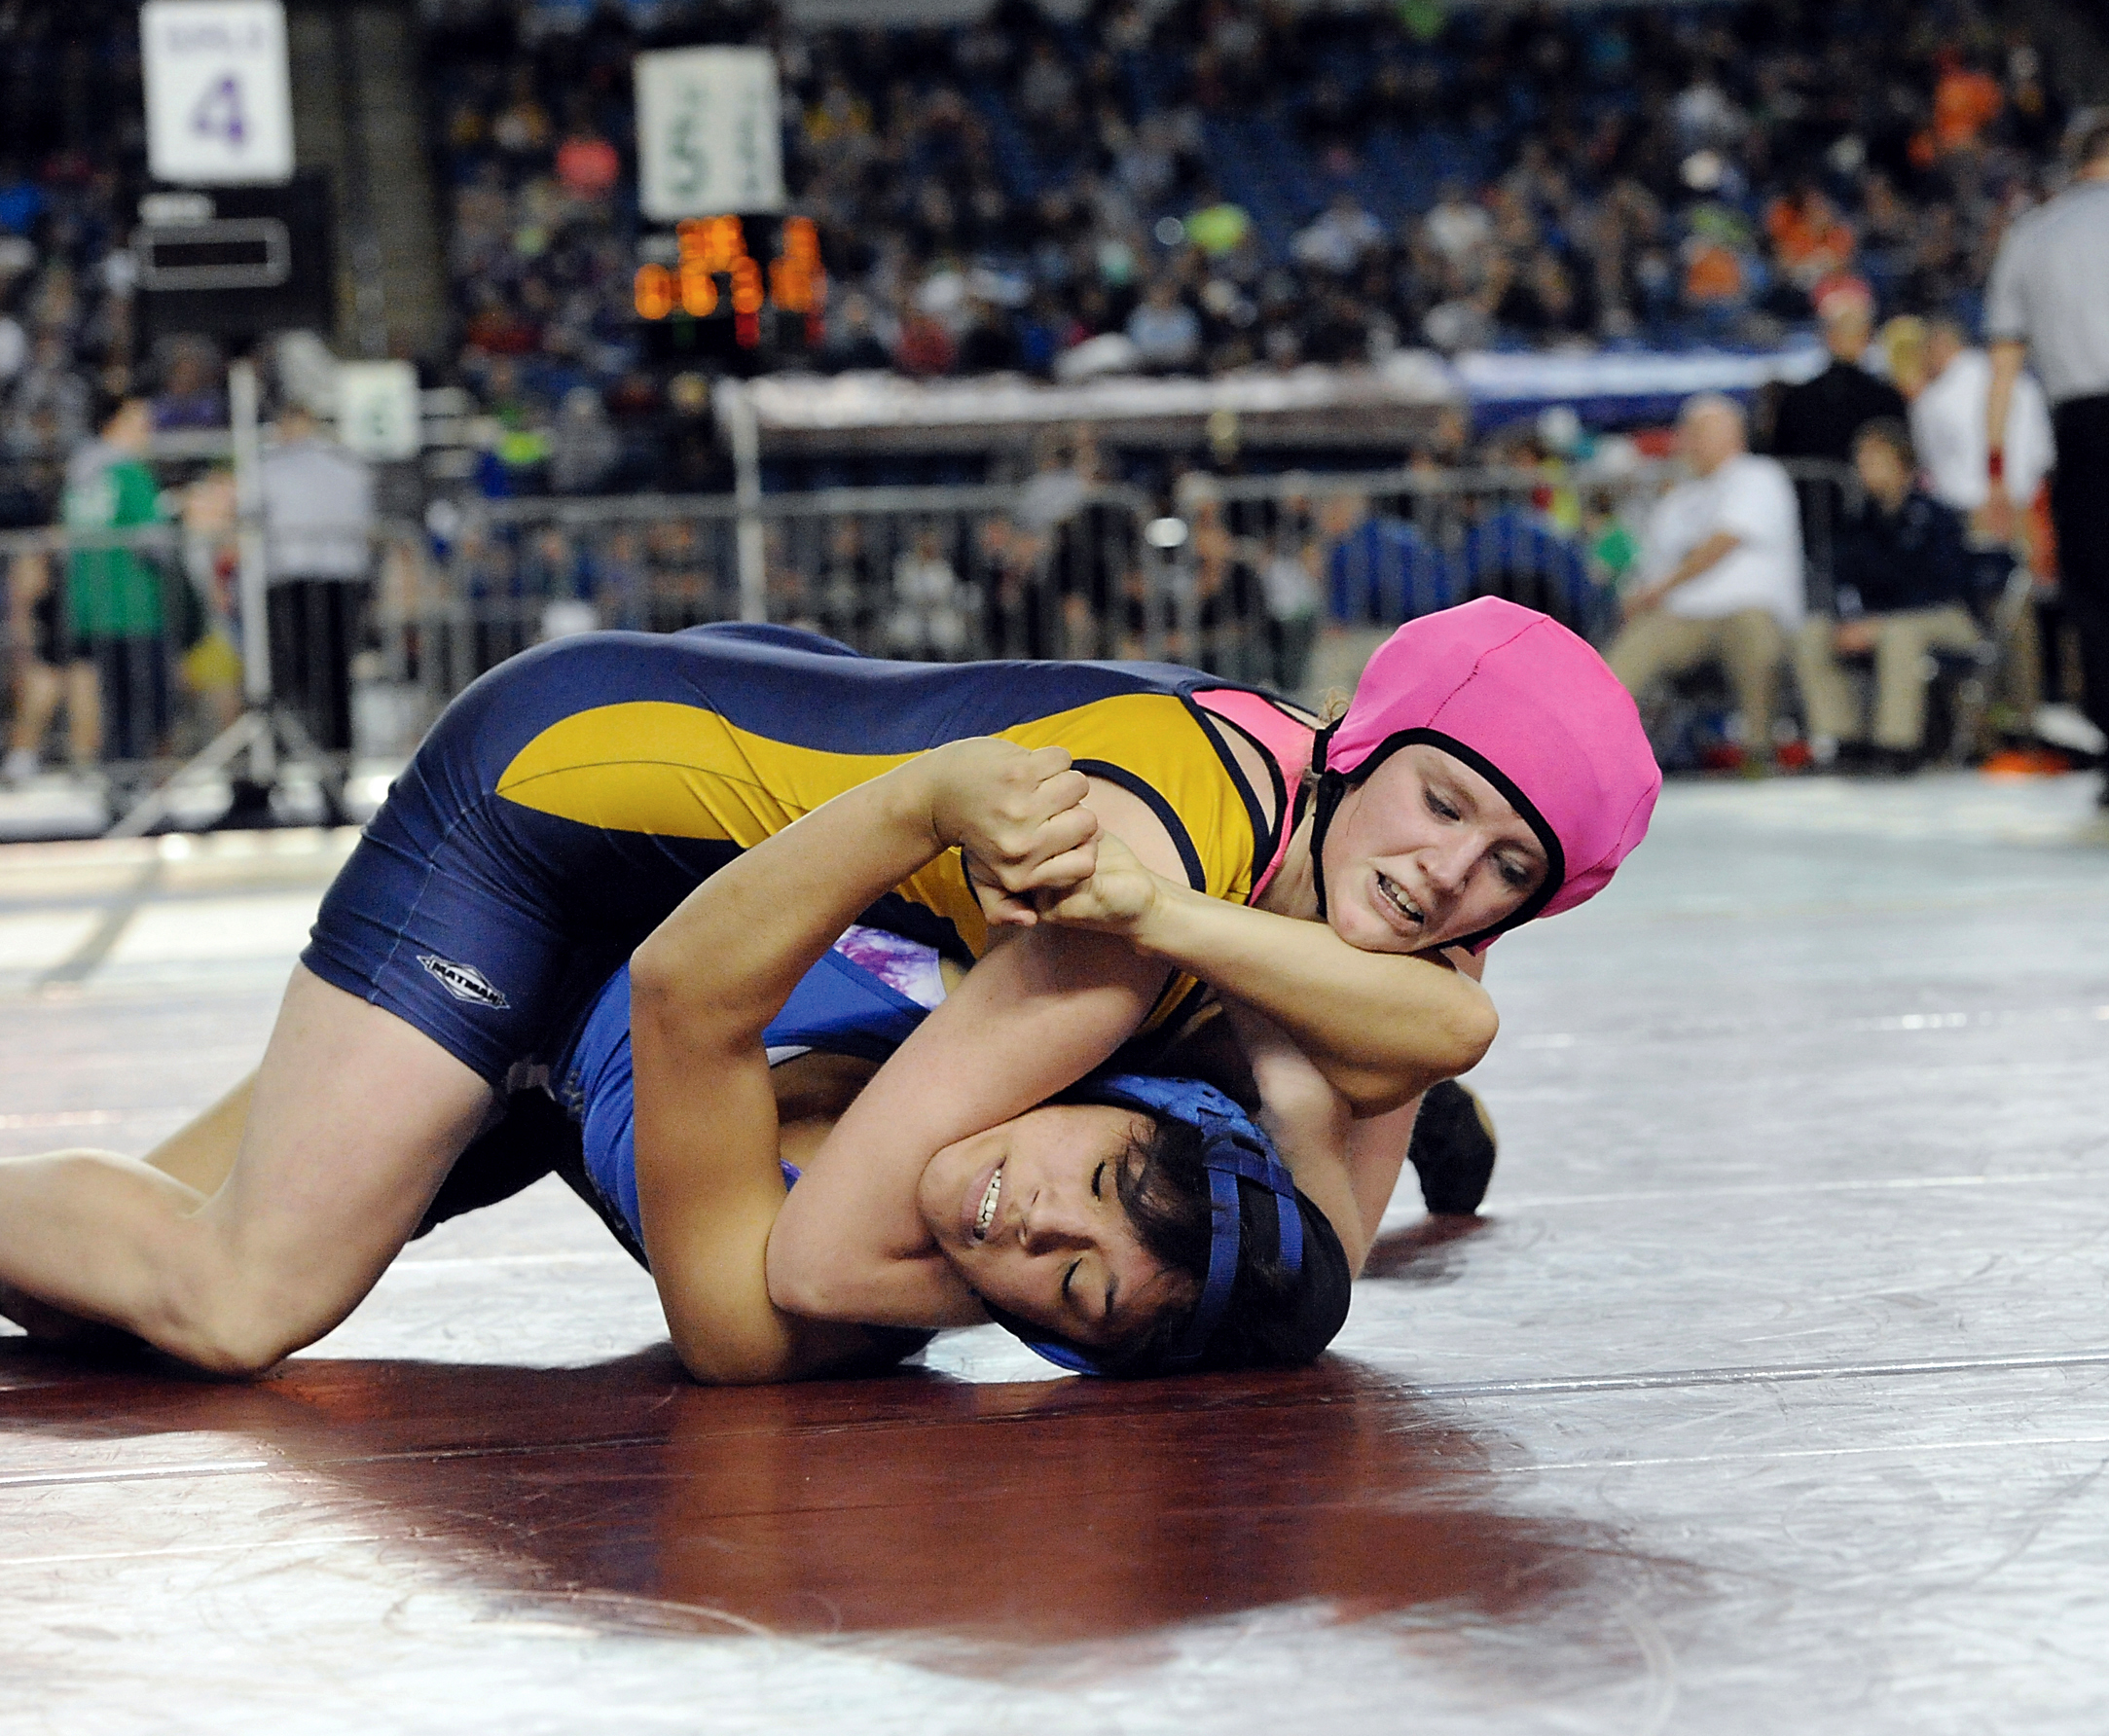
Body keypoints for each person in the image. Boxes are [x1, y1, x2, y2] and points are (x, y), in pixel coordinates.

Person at [0, 605, 1659, 1375]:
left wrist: (1397, 1044)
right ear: (1368, 745)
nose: (1449, 874)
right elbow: (823, 1248)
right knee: (233, 1289)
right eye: (1443, 807)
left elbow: (1312, 1250)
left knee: (136, 1261)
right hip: (561, 823)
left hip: (737, 899)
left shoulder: (1356, 899)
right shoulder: (1148, 866)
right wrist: (1328, 1043)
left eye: (1505, 866)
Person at [3, 738, 1351, 1380]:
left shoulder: (795, 1312)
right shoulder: (1066, 1033)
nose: (1039, 1216)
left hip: (537, 1007)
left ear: (1048, 1344)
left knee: (136, 1308)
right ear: (1115, 1106)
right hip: (546, 882)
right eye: (1099, 1181)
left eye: (1070, 1282)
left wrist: (921, 798)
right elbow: (1354, 1064)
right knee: (192, 1297)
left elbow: (686, 991)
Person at [1984, 114, 2109, 804]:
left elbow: (2002, 369)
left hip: (2084, 431)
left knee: (2095, 597)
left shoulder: (2032, 234)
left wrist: (1996, 474)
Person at [1605, 395, 1804, 763]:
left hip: (1749, 607)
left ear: (1732, 435)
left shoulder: (1759, 475)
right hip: (1684, 615)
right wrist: (1637, 596)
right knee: (1630, 648)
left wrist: (1659, 590)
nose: (1688, 440)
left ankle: (1757, 753)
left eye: (1700, 431)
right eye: (1688, 431)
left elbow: (1722, 542)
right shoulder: (1679, 498)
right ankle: (1596, 749)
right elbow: (1652, 565)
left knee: (1756, 641)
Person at [1792, 419, 1982, 771]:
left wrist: (1877, 622)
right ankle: (1843, 739)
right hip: (1880, 620)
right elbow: (1839, 579)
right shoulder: (1860, 521)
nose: (1864, 468)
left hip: (1947, 618)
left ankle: (1896, 745)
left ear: (1902, 462)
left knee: (1899, 633)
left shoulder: (1935, 516)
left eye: (1874, 458)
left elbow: (1941, 586)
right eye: (1861, 460)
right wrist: (1846, 621)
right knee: (1814, 633)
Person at [259, 402, 374, 795]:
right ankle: (338, 766)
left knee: (287, 681)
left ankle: (280, 766)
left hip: (292, 586)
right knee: (336, 681)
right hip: (341, 584)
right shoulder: (348, 465)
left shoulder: (271, 468)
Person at [62, 395, 170, 771]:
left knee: (110, 705)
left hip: (90, 606)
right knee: (144, 709)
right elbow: (156, 544)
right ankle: (135, 785)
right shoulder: (129, 474)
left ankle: (115, 778)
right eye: (141, 424)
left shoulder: (79, 476)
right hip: (133, 606)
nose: (149, 433)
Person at [1769, 281, 1909, 465]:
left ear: (1827, 338)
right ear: (1866, 338)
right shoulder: (1887, 399)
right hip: (1865, 494)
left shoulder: (1795, 399)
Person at [4, 547, 97, 781]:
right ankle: (21, 759)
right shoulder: (36, 560)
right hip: (44, 652)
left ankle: (83, 765)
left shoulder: (80, 571)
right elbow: (22, 612)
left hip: (75, 646)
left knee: (82, 685)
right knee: (43, 687)